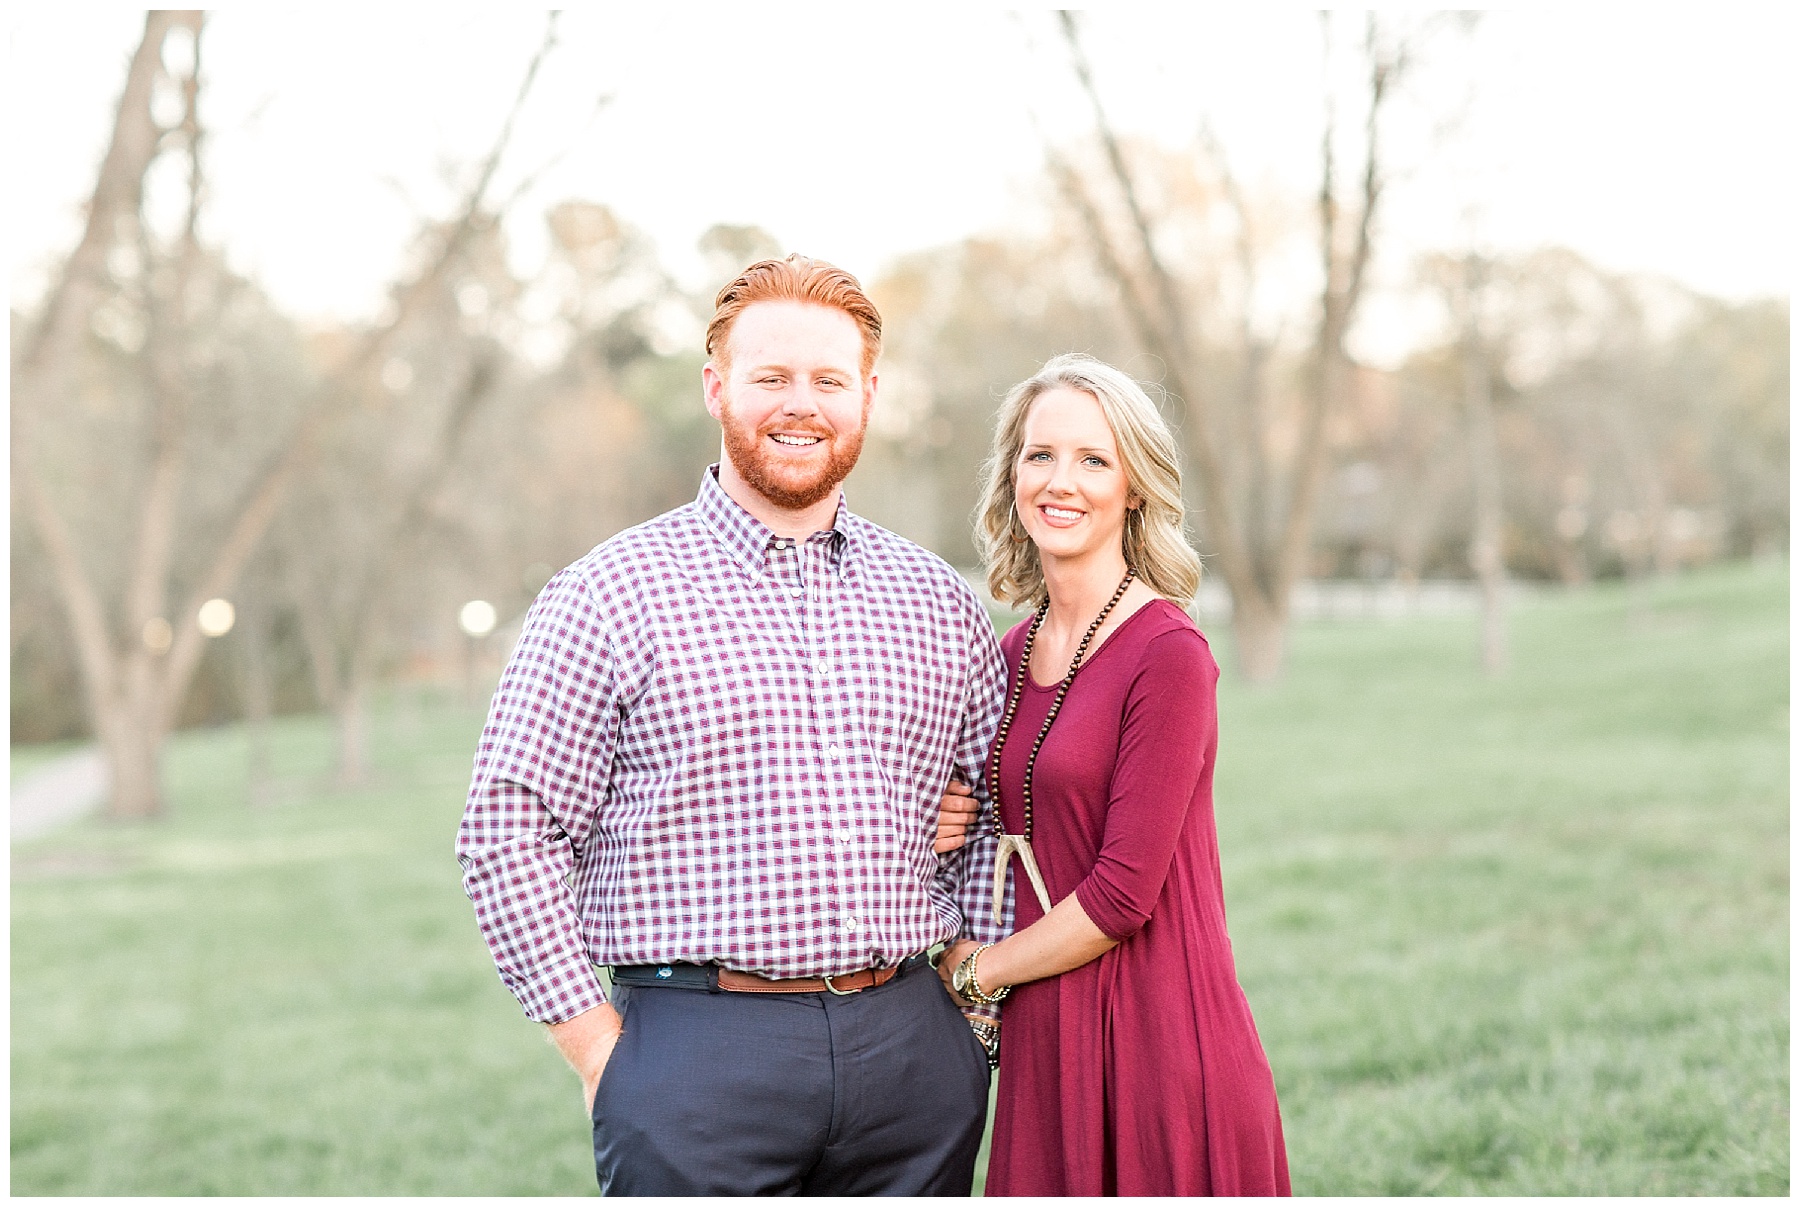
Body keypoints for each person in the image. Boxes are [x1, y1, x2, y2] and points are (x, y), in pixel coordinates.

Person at [456, 254, 1010, 1196]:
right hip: (696, 1057)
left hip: (915, 1053)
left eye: (830, 380)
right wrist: (599, 1050)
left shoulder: (937, 600)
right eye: (772, 377)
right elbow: (506, 830)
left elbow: (991, 812)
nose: (802, 403)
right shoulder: (608, 594)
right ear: (717, 388)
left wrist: (973, 1014)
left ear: (869, 396)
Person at [937, 353, 1291, 1196]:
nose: (1063, 481)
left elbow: (1122, 894)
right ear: (1013, 475)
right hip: (1046, 1035)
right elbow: (1020, 813)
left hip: (1157, 1035)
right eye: (1041, 455)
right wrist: (956, 810)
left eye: (1094, 458)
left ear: (1134, 486)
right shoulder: (1011, 653)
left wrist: (973, 972)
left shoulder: (1168, 656)